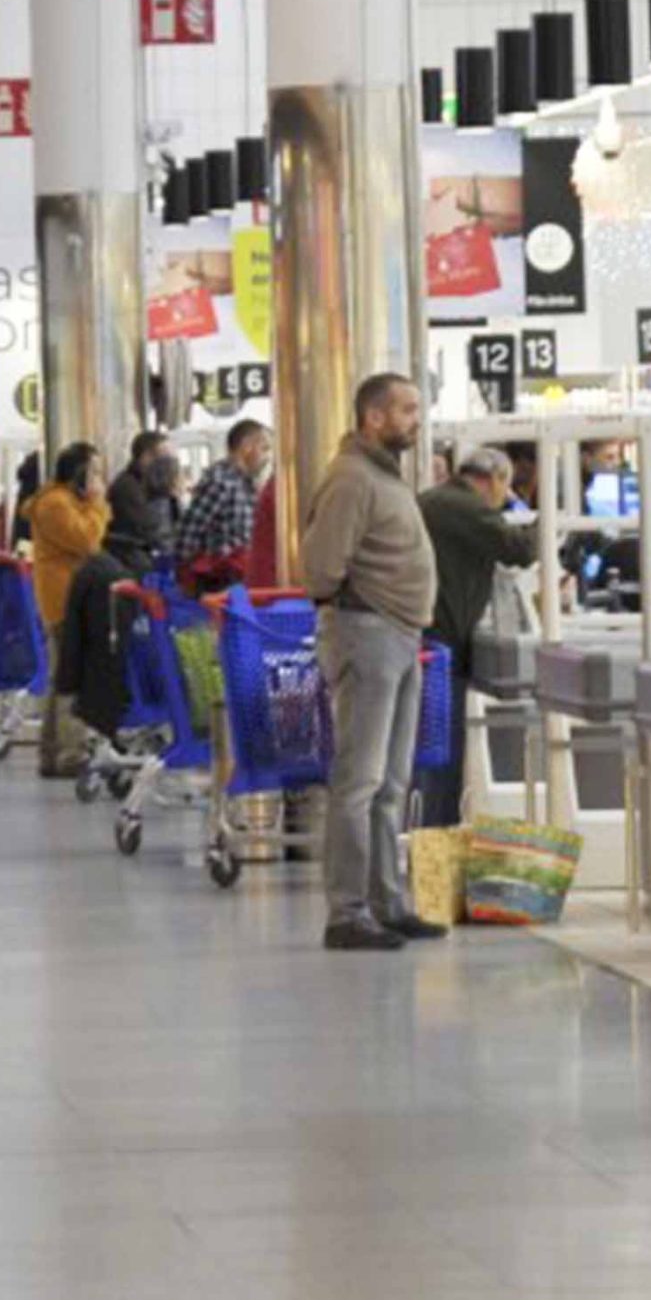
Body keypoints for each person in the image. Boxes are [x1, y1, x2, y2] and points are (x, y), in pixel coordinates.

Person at [298, 373, 442, 952]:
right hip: (367, 632)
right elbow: (319, 567)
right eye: (406, 410)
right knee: (359, 781)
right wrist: (358, 606)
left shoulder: (385, 476)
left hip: (400, 634)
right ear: (373, 417)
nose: (415, 420)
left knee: (391, 781)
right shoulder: (352, 478)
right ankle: (347, 912)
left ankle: (387, 901)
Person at [415, 444, 538, 826]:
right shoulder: (466, 507)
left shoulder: (434, 500)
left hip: (422, 637)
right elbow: (521, 550)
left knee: (426, 750)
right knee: (443, 753)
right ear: (494, 480)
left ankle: (425, 833)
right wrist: (541, 520)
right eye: (505, 488)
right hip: (441, 644)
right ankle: (436, 838)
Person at [26, 443, 108, 779]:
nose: (100, 479)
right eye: (95, 472)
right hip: (65, 600)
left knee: (62, 676)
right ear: (79, 473)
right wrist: (98, 503)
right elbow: (88, 541)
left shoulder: (65, 502)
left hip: (70, 597)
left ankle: (52, 752)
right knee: (73, 679)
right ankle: (70, 754)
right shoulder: (55, 504)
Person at [170, 419, 272, 586]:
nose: (267, 457)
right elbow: (187, 536)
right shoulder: (221, 483)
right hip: (220, 582)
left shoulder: (246, 484)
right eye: (264, 448)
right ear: (247, 446)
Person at [104, 430, 180, 572]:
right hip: (133, 562)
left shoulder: (146, 484)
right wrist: (163, 495)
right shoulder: (127, 487)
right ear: (146, 457)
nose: (169, 465)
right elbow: (152, 531)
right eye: (164, 457)